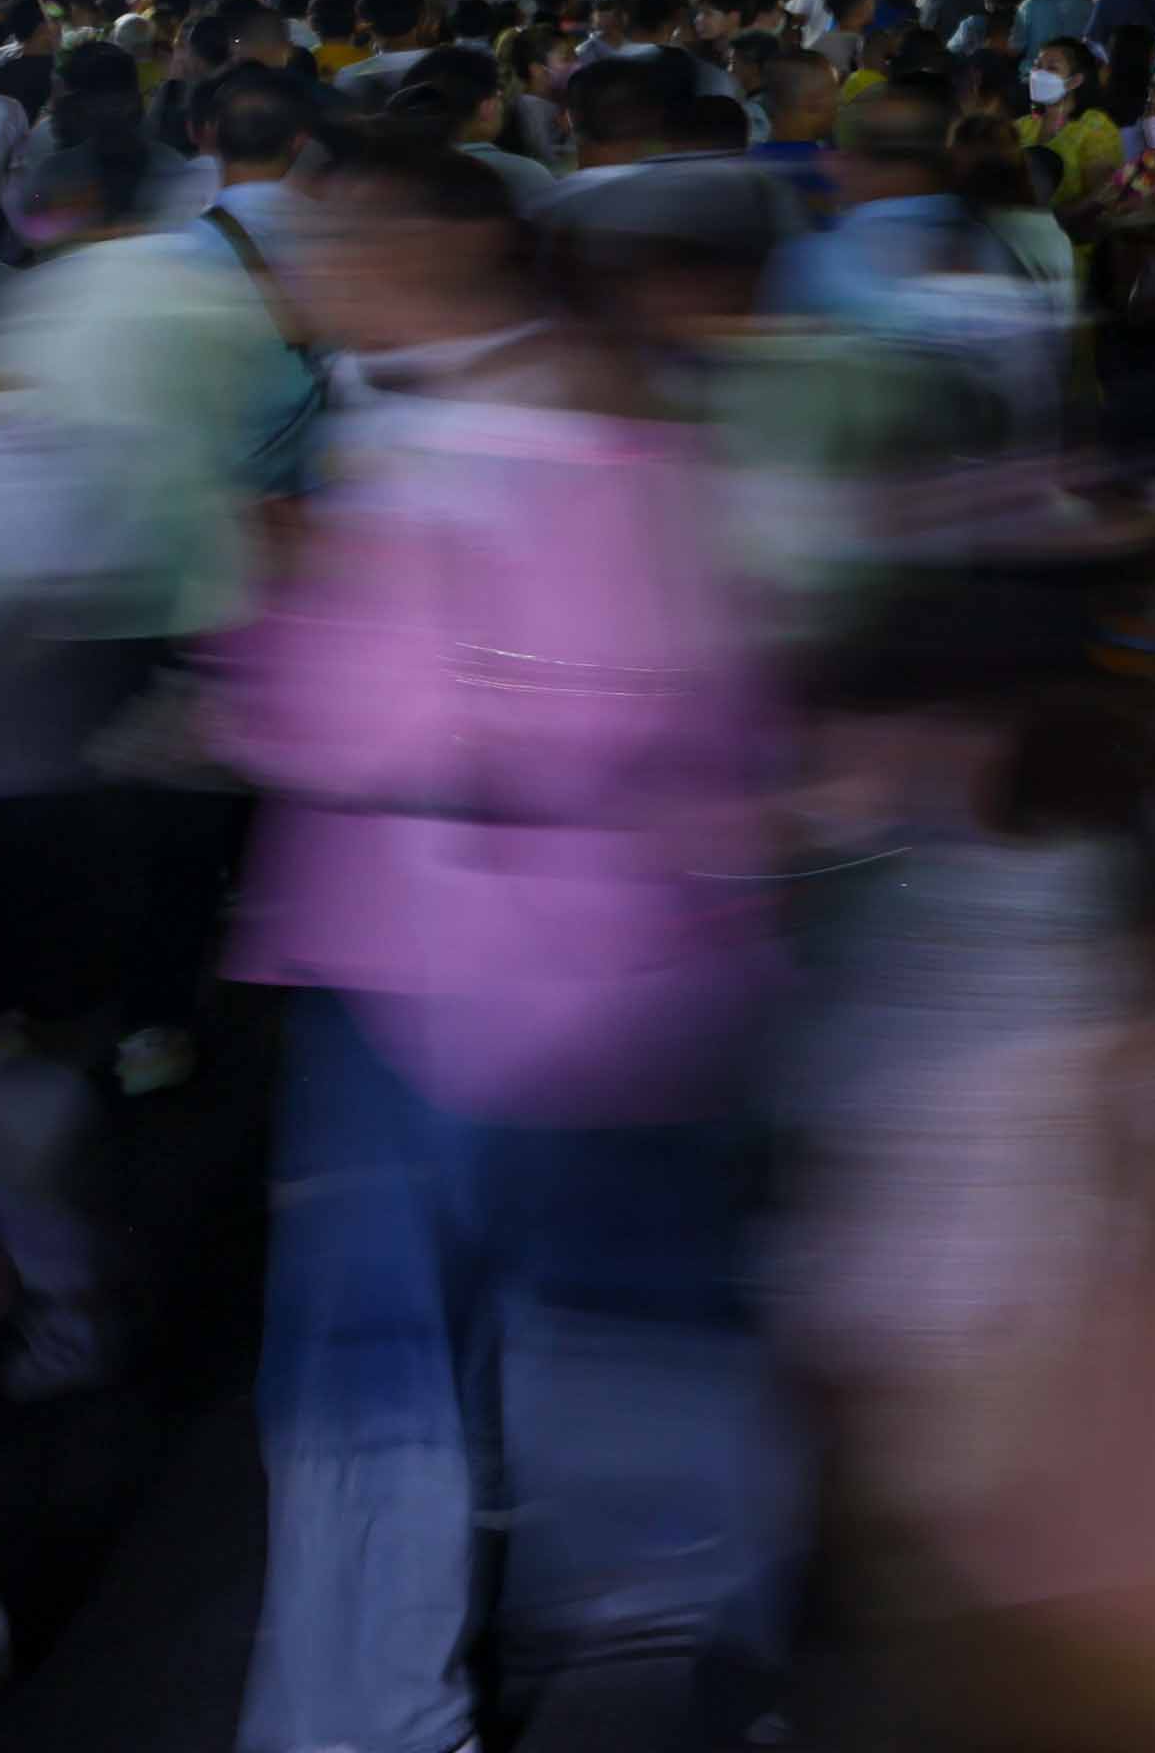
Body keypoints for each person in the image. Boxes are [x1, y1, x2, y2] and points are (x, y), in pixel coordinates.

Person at [223, 129, 796, 1753]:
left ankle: (376, 1718)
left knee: (380, 1387)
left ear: (426, 258)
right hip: (636, 972)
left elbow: (365, 719)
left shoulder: (463, 453)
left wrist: (279, 629)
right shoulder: (631, 430)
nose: (310, 283)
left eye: (334, 250)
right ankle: (657, 1654)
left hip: (437, 986)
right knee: (607, 1353)